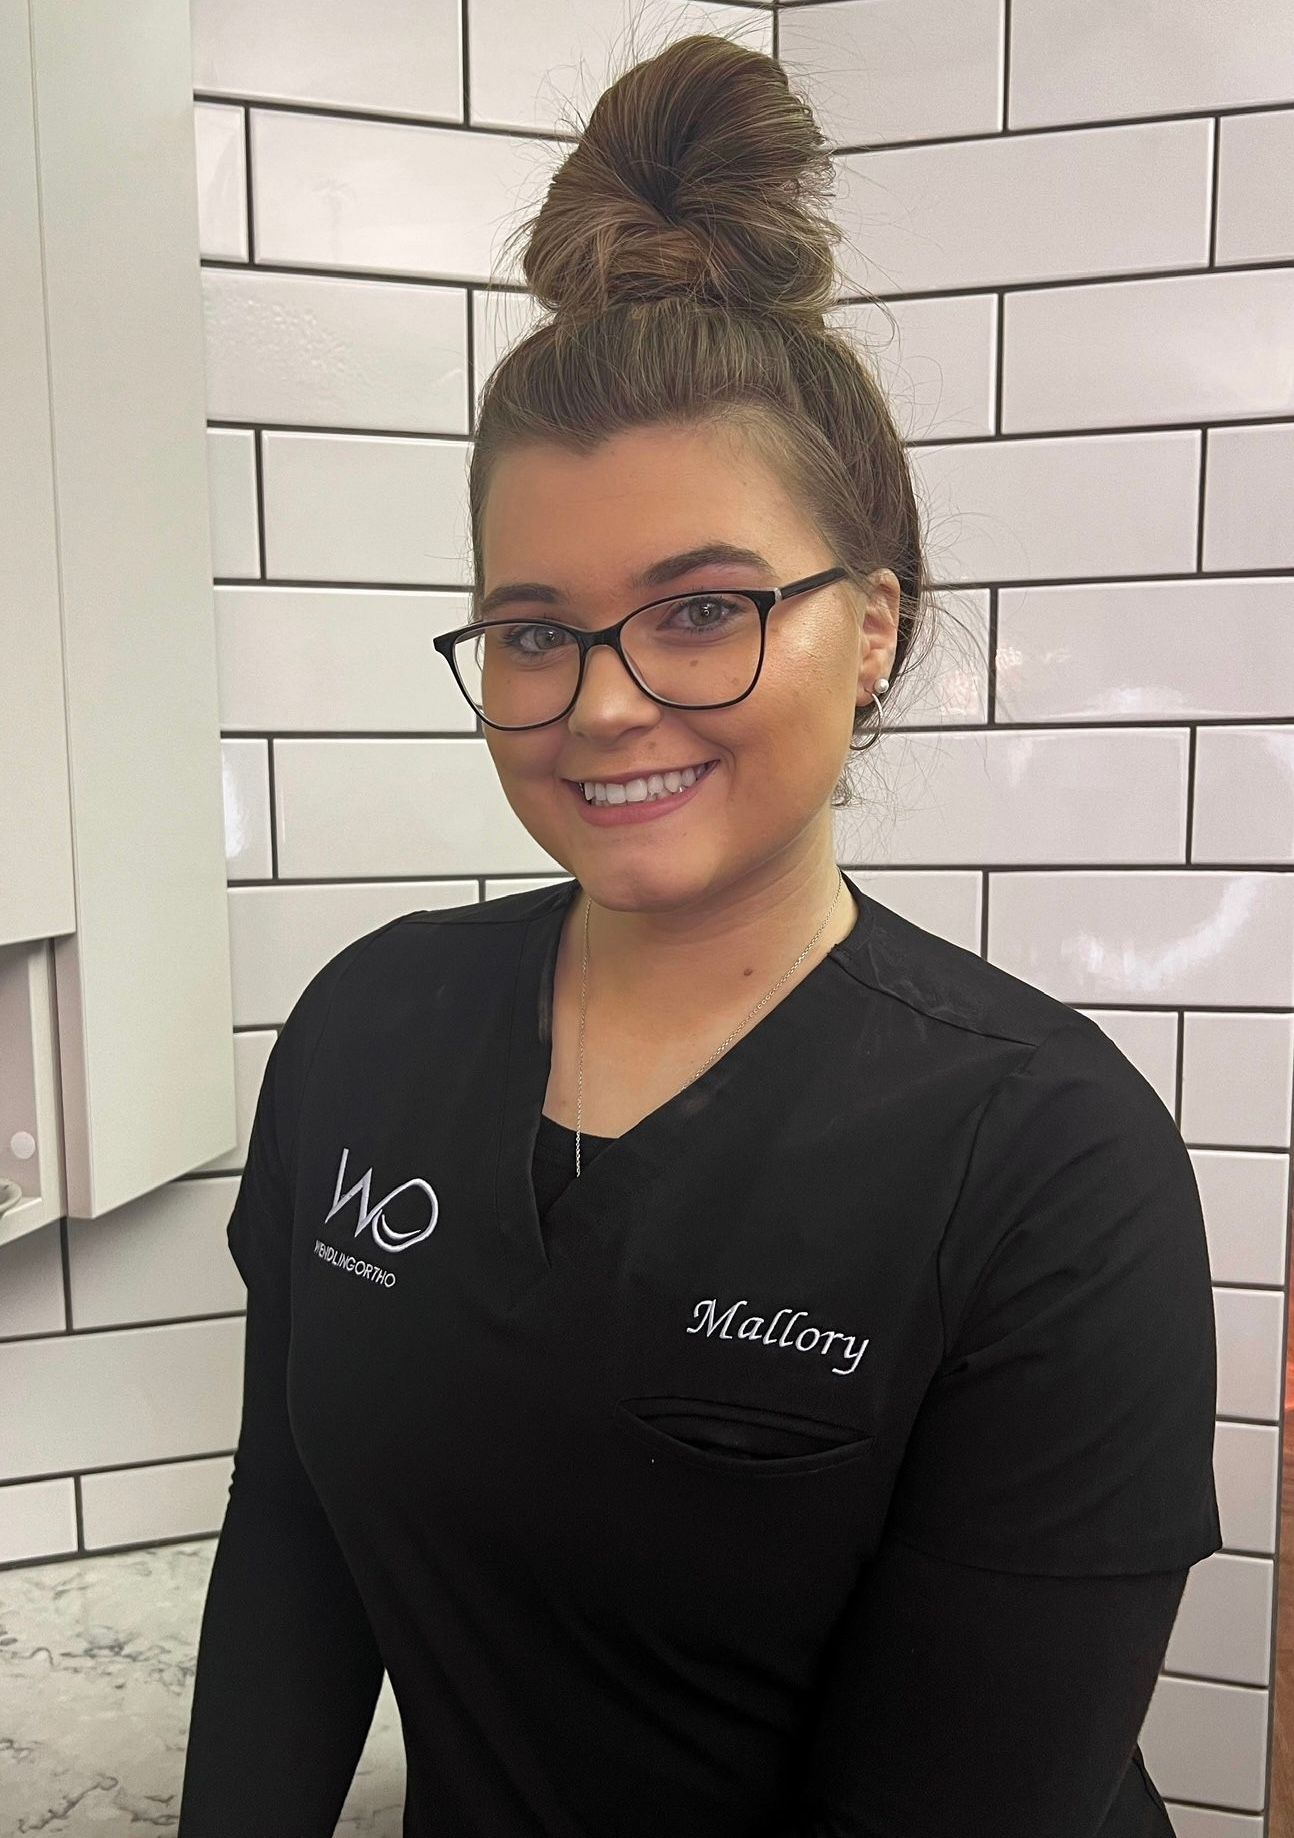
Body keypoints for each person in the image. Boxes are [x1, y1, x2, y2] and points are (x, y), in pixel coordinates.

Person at [177, 32, 1222, 1838]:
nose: (602, 704)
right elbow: (292, 1538)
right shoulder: (368, 1031)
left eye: (705, 608)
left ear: (872, 625)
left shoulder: (1047, 1164)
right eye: (530, 629)